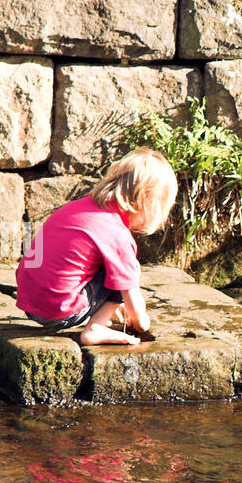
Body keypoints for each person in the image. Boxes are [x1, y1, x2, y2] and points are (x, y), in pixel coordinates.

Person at [16, 147, 177, 346]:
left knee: (112, 266)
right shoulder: (117, 233)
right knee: (126, 270)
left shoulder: (76, 208)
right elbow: (132, 299)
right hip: (57, 313)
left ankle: (96, 313)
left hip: (28, 303)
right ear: (148, 204)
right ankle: (95, 329)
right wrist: (141, 321)